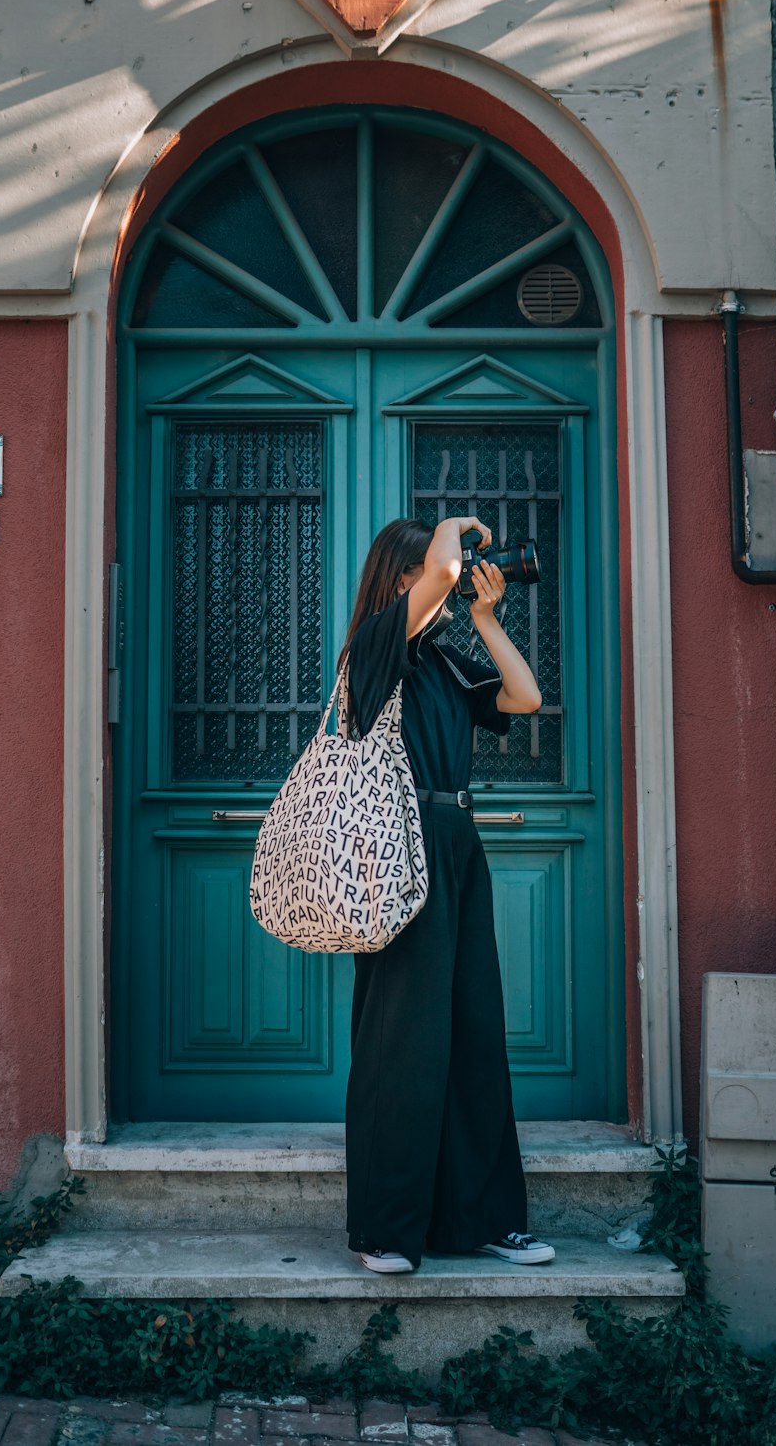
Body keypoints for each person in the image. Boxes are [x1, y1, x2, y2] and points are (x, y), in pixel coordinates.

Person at [337, 515, 556, 1275]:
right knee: (402, 1037)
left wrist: (489, 618)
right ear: (402, 579)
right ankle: (385, 1229)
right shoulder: (374, 648)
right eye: (439, 570)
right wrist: (455, 529)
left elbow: (525, 699)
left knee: (472, 1034)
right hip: (400, 845)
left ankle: (483, 1220)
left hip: (459, 845)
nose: (456, 574)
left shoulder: (444, 661)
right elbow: (434, 574)